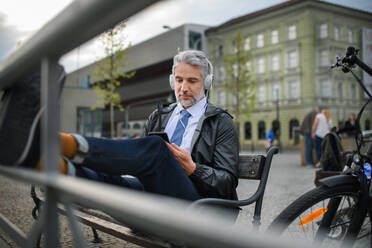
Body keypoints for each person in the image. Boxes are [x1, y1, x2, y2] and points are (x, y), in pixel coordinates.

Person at [0, 50, 239, 202]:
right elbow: (141, 162)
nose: (183, 88)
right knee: (110, 180)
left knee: (156, 148)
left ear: (206, 83)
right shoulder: (160, 114)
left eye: (192, 81)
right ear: (172, 81)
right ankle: (34, 157)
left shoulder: (221, 122)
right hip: (155, 191)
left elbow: (227, 182)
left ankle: (52, 140)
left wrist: (193, 168)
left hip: (198, 202)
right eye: (179, 80)